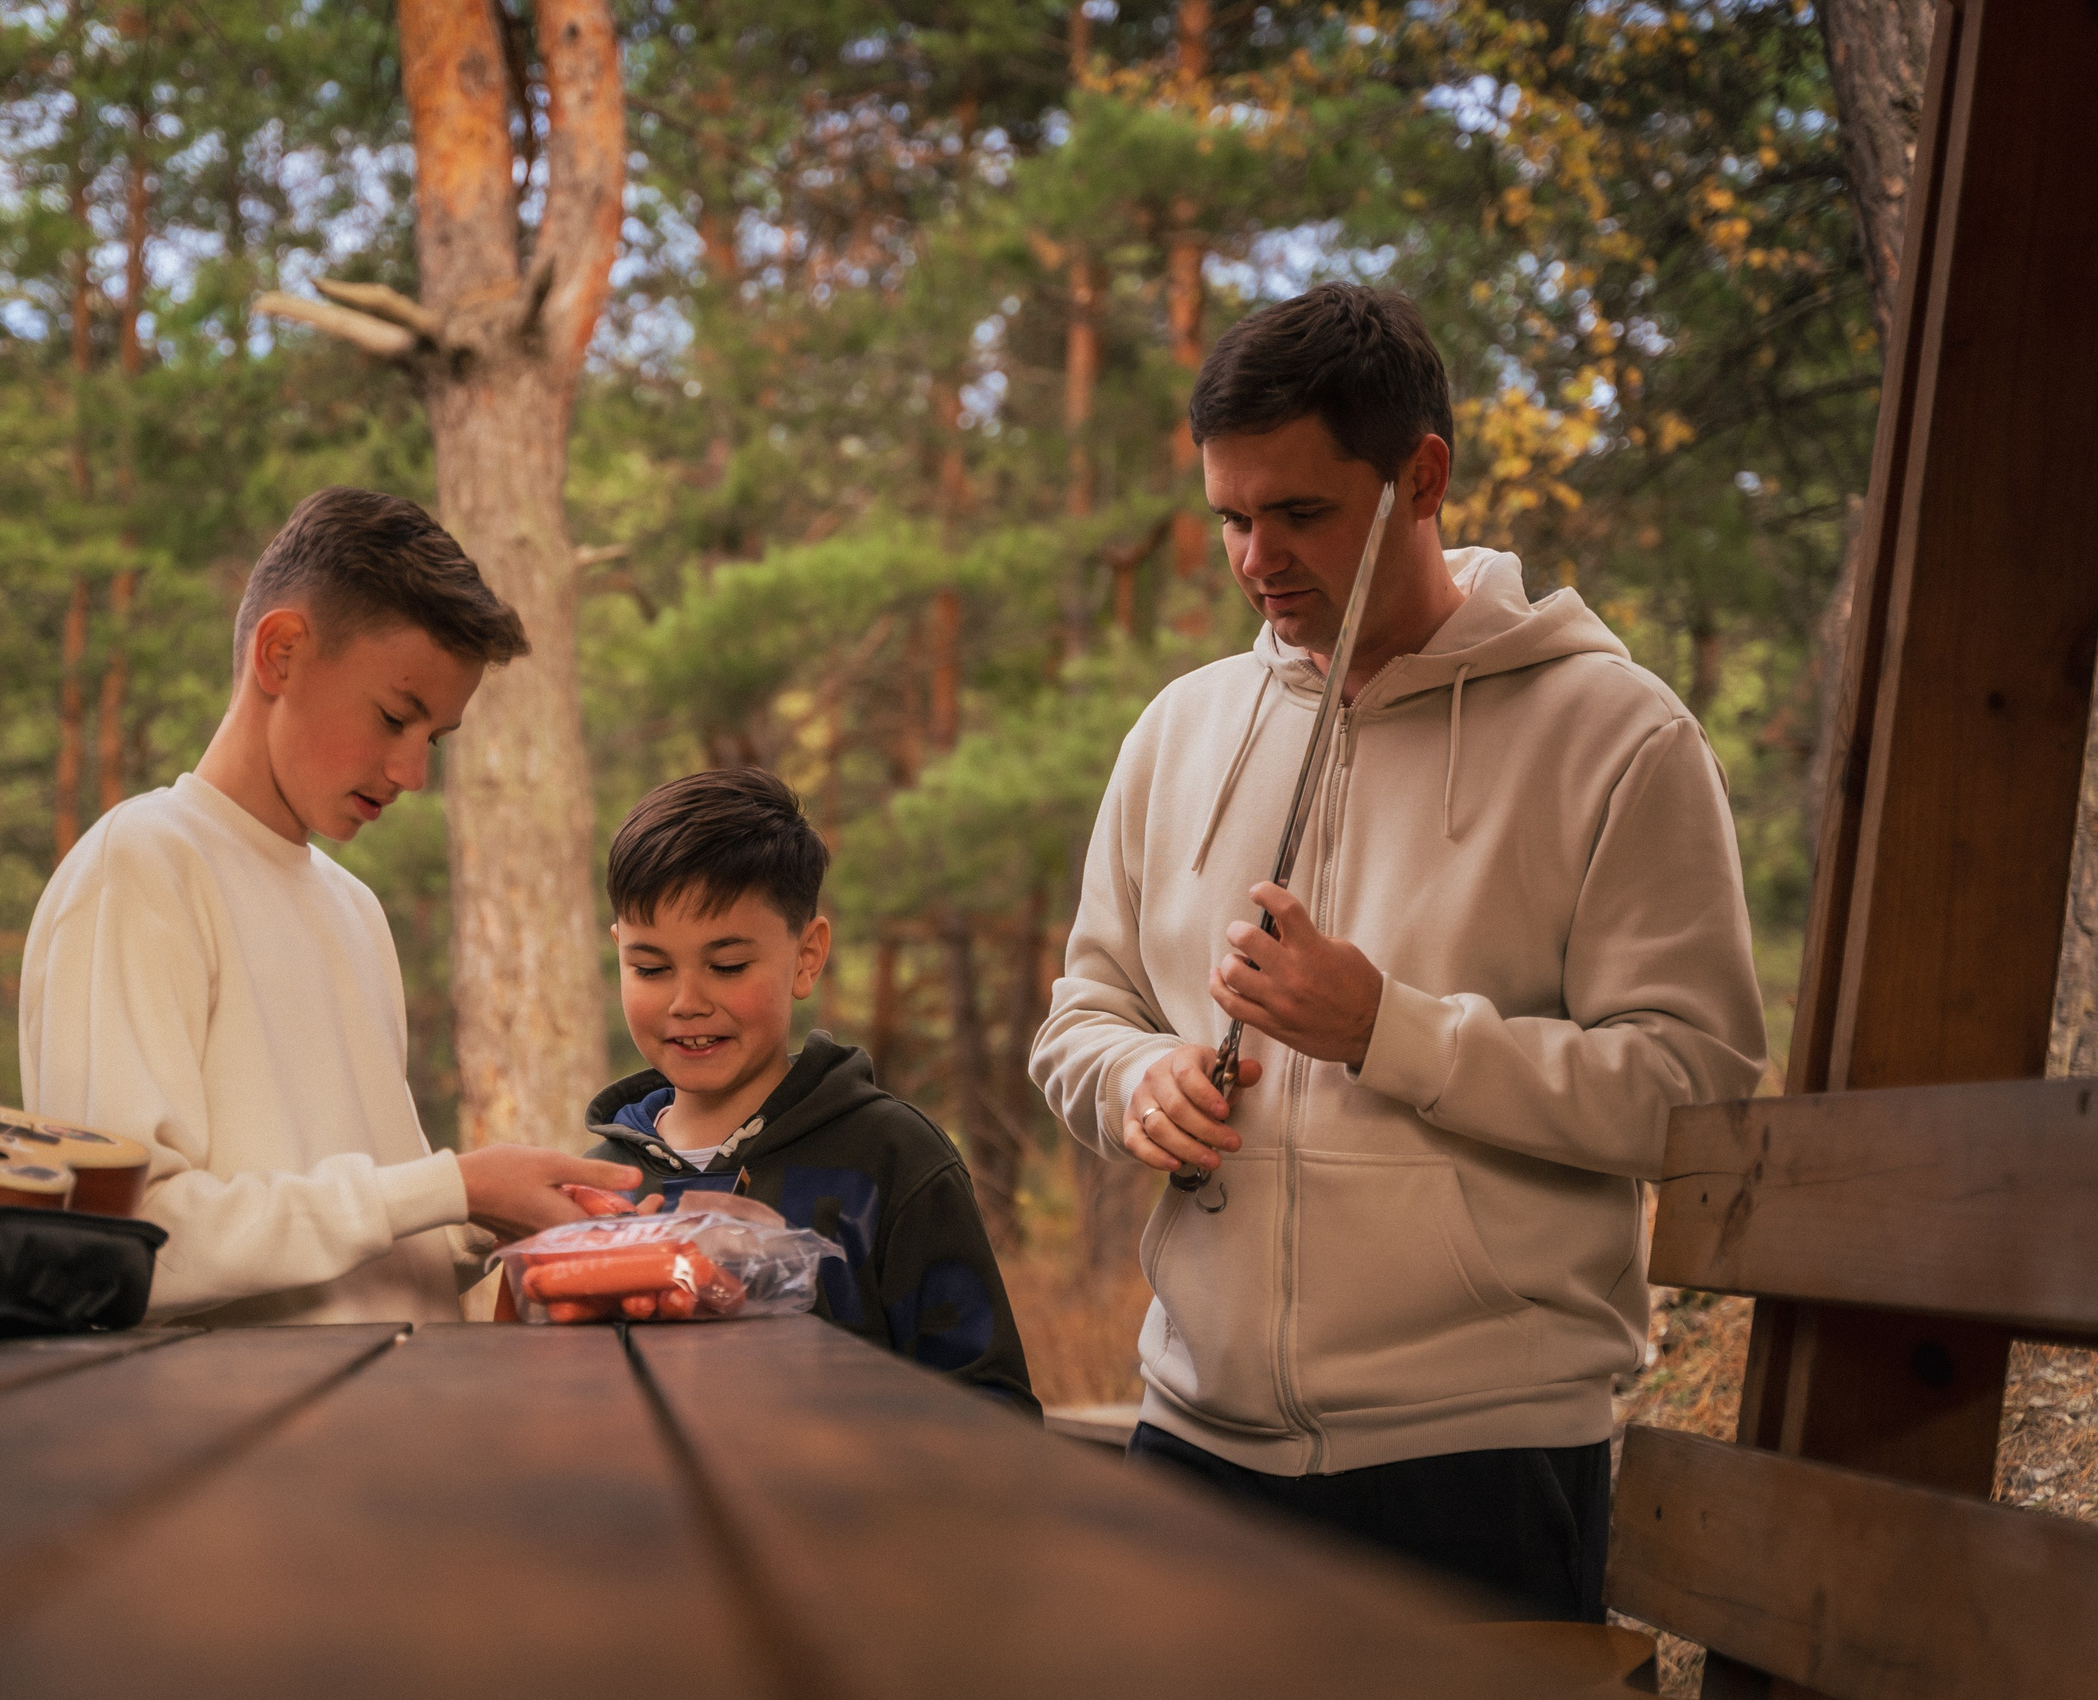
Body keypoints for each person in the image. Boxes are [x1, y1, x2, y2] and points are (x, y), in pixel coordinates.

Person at [1028, 283, 1765, 1620]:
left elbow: (1692, 1093)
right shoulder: (1179, 729)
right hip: (1189, 1437)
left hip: (1480, 1459)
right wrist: (1137, 1079)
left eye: (1299, 513)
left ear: (1421, 477)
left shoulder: (1621, 737)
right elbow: (1083, 1012)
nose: (1255, 559)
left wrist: (1390, 1031)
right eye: (1231, 518)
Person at [19, 487, 638, 1326]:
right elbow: (126, 1245)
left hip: (417, 1399)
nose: (413, 773)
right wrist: (450, 1186)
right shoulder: (139, 868)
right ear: (280, 653)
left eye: (433, 738)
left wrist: (479, 1219)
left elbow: (355, 1236)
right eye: (394, 716)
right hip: (249, 1415)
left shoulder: (355, 911)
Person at [582, 768, 1038, 1412]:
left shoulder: (893, 1159)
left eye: (728, 966)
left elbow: (994, 1410)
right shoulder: (599, 1188)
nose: (686, 1002)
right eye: (650, 968)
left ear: (806, 956)